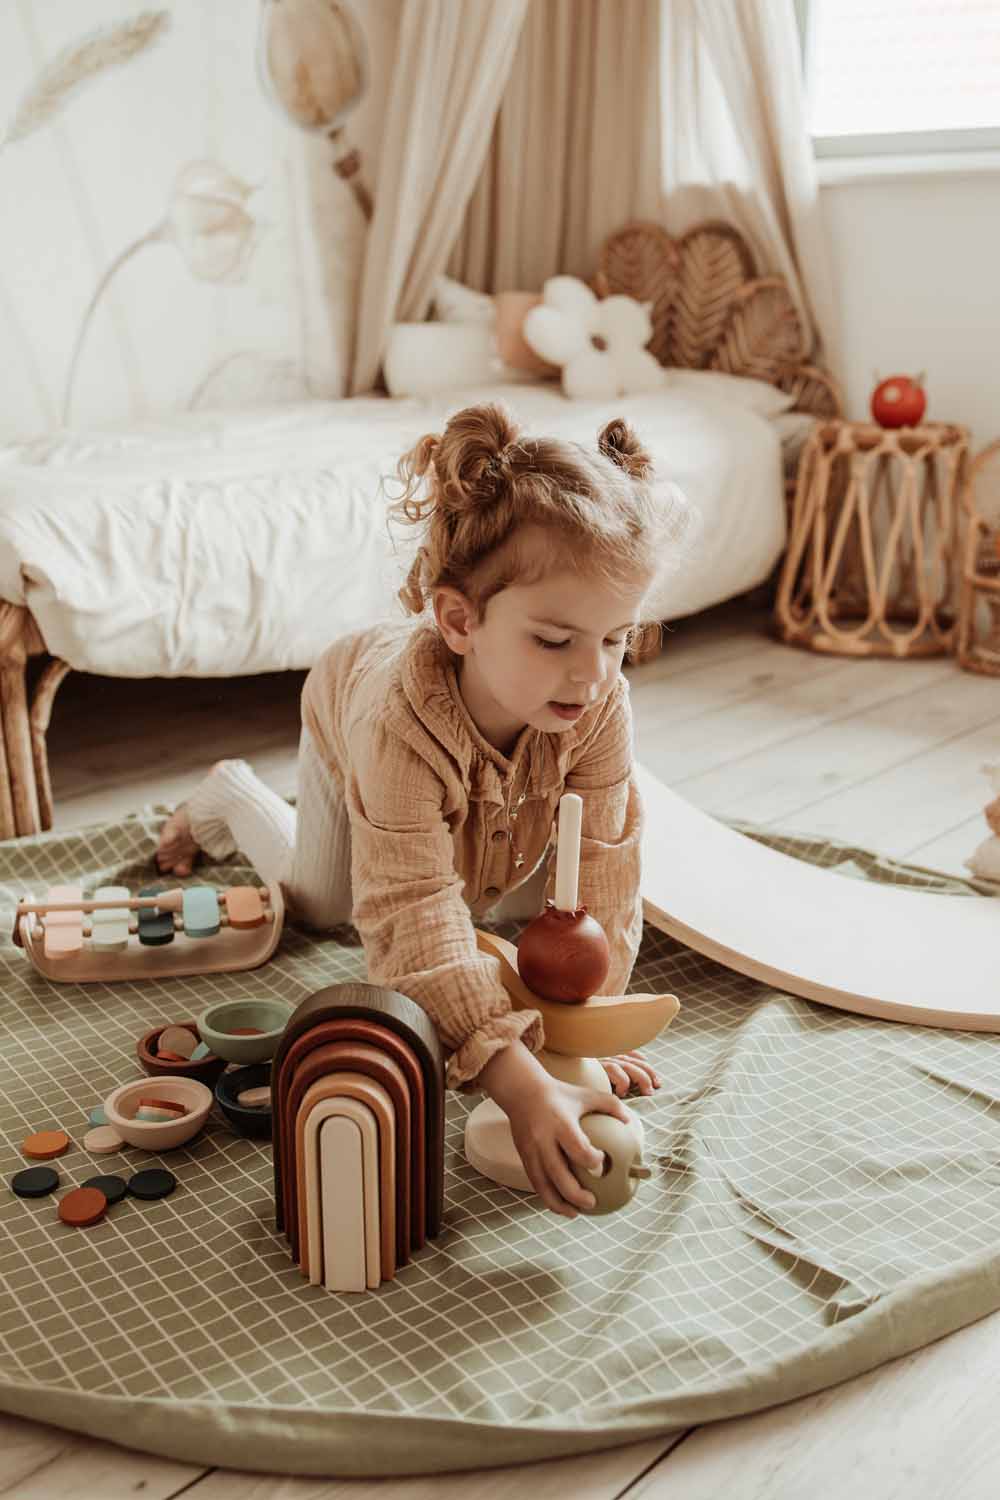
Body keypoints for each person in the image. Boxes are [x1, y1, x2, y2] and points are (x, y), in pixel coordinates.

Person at [157, 402, 689, 1217]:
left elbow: (607, 873)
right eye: (555, 641)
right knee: (325, 904)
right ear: (459, 620)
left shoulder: (599, 702)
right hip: (347, 712)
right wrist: (515, 1081)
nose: (591, 674)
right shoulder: (394, 727)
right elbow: (411, 917)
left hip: (499, 793)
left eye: (616, 639)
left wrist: (579, 1045)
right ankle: (231, 791)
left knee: (523, 900)